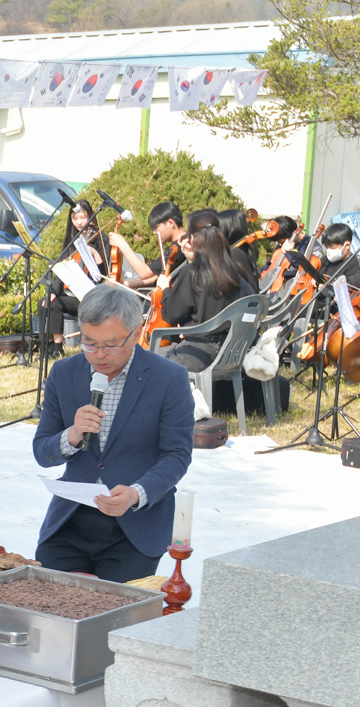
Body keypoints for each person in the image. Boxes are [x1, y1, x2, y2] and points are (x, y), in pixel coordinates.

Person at [33, 282, 194, 583]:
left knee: (114, 607)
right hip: (70, 520)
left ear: (136, 333)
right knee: (45, 598)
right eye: (89, 343)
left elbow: (177, 455)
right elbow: (42, 451)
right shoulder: (64, 373)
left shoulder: (169, 378)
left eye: (110, 345)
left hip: (135, 525)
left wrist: (136, 493)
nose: (99, 355)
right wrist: (72, 435)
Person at [156, 225, 254, 374]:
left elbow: (171, 315)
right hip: (234, 354)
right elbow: (251, 304)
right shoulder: (236, 270)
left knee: (148, 358)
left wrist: (165, 289)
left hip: (199, 356)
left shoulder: (192, 272)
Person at [43, 199, 110, 345]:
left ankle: (57, 346)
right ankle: (47, 345)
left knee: (55, 305)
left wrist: (94, 252)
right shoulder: (72, 240)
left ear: (90, 216)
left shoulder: (101, 239)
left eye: (83, 217)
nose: (79, 222)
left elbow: (103, 274)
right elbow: (62, 269)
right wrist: (53, 291)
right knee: (45, 302)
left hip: (90, 294)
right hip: (70, 292)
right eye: (75, 218)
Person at [318, 222, 360, 288]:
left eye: (332, 248)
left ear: (347, 245)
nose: (329, 251)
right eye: (327, 247)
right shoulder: (324, 260)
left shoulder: (355, 267)